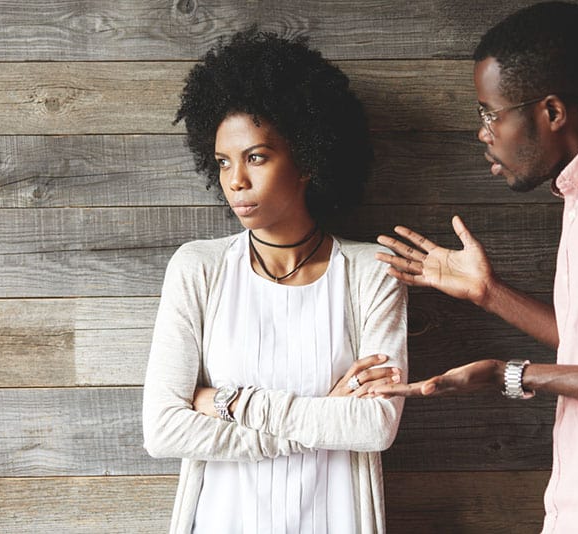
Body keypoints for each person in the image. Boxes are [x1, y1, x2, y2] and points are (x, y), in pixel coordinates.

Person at [372, 2, 578, 532]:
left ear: (551, 112)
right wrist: (489, 293)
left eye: (490, 113)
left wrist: (511, 375)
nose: (483, 132)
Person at [142, 29, 408, 534]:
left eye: (256, 157)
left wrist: (229, 403)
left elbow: (375, 426)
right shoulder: (198, 268)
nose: (235, 180)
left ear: (307, 158)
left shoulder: (372, 270)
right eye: (223, 162)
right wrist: (318, 424)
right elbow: (163, 429)